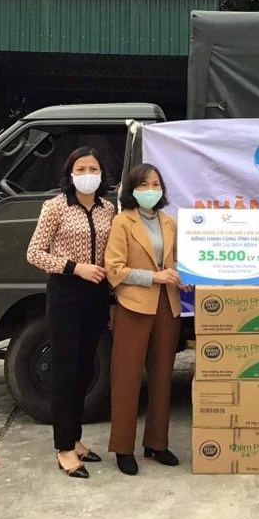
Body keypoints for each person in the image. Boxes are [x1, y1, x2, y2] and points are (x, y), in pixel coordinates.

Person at [26, 146, 115, 479]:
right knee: (64, 370)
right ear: (70, 173)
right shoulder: (55, 207)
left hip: (97, 294)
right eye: (81, 169)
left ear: (102, 174)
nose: (87, 175)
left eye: (93, 169)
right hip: (66, 292)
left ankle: (75, 439)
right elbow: (34, 253)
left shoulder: (108, 208)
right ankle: (64, 448)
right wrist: (75, 268)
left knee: (84, 369)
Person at [105, 163, 184, 475]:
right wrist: (154, 277)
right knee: (127, 377)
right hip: (134, 306)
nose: (150, 190)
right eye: (144, 185)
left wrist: (180, 276)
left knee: (163, 376)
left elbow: (173, 261)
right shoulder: (122, 222)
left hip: (167, 305)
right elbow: (114, 269)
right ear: (132, 189)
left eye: (155, 184)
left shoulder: (169, 222)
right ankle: (123, 447)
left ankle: (157, 442)